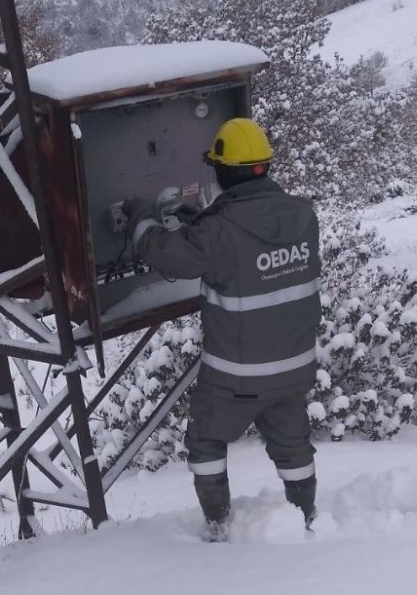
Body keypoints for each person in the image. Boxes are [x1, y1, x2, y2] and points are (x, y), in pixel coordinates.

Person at [122, 117, 321, 537]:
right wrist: (205, 220)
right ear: (265, 166)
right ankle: (305, 518)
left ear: (220, 171)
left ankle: (218, 526)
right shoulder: (304, 216)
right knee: (292, 445)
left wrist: (141, 216)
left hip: (237, 377)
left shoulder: (217, 232)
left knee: (207, 443)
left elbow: (165, 252)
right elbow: (251, 248)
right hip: (294, 370)